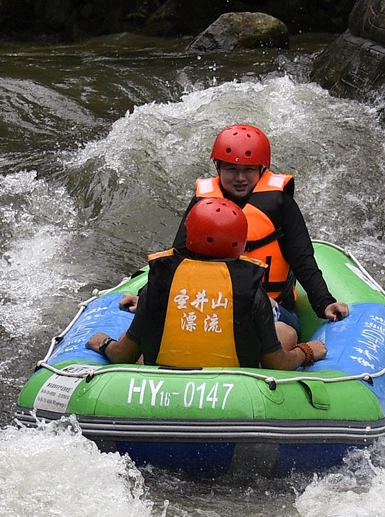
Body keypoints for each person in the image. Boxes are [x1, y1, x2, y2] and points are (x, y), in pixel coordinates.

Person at [87, 198, 327, 370]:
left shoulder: (158, 285)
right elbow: (278, 364)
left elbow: (123, 355)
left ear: (188, 239)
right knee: (286, 332)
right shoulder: (253, 292)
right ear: (240, 244)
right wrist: (306, 352)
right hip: (234, 383)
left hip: (164, 376)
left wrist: (104, 343)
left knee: (134, 343)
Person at [176, 123, 349, 351]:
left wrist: (325, 302)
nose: (240, 178)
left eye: (249, 170)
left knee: (259, 316)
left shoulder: (280, 205)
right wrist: (147, 299)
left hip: (274, 310)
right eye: (231, 169)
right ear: (218, 168)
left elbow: (302, 259)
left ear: (262, 170)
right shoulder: (202, 204)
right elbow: (178, 258)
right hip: (211, 305)